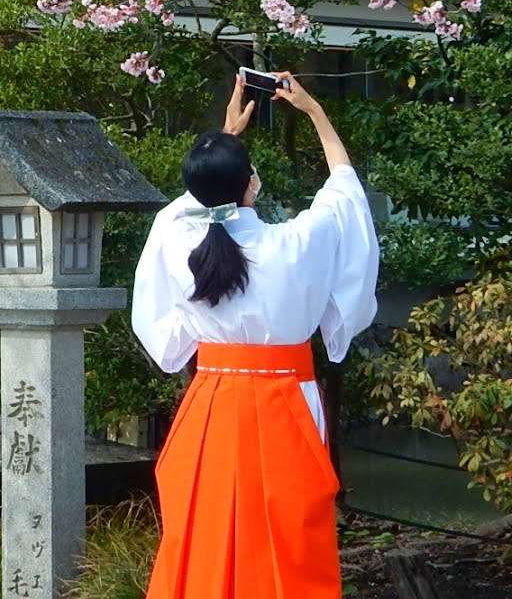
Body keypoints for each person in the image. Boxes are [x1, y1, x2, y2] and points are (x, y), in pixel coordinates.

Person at [131, 71, 379, 599]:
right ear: (251, 181)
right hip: (286, 398)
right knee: (289, 539)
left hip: (212, 400)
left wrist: (225, 142)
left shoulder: (178, 241)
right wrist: (315, 112)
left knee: (201, 526)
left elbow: (187, 207)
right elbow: (344, 196)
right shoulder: (295, 243)